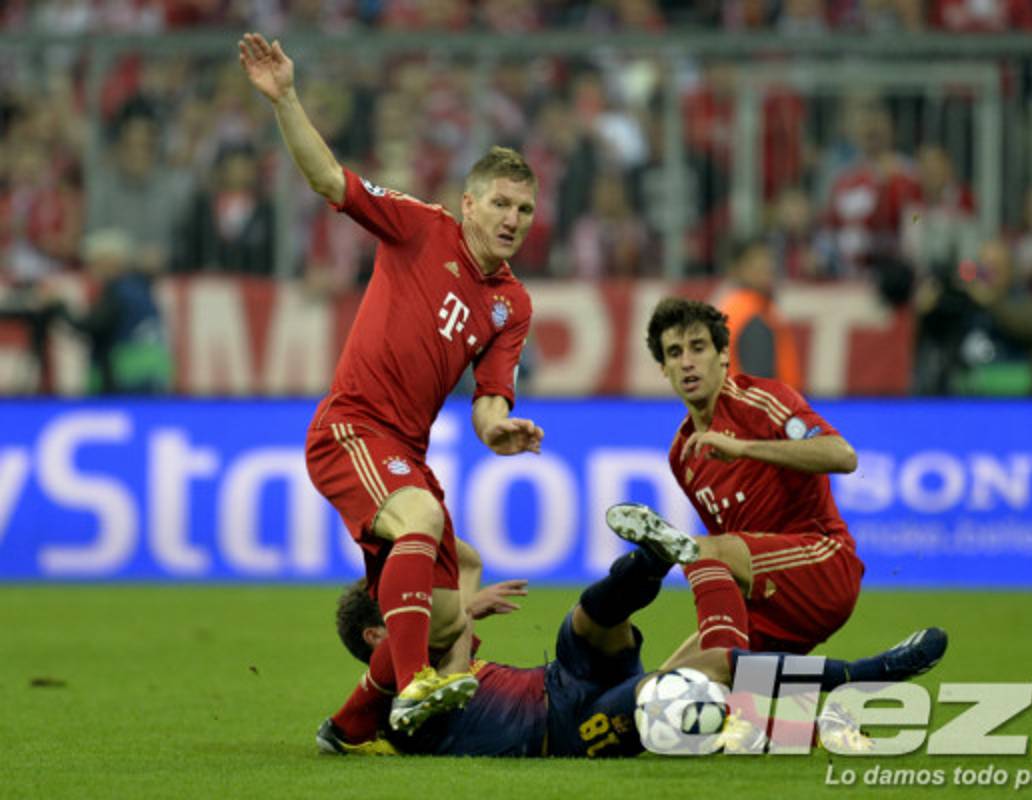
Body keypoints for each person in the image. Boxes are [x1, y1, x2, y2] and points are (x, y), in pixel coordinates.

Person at [238, 32, 545, 733]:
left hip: (405, 449)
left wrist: (496, 426)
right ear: (468, 204)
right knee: (423, 521)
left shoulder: (513, 304)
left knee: (446, 608)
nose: (511, 220)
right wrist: (286, 98)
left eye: (523, 211)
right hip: (350, 428)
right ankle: (414, 691)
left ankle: (347, 729)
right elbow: (329, 181)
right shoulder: (417, 229)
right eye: (499, 204)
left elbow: (489, 396)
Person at [318, 545, 948, 757]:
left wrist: (414, 549)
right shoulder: (395, 685)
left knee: (588, 620)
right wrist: (458, 617)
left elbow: (467, 559)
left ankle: (646, 564)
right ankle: (858, 677)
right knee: (700, 673)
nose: (417, 603)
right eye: (402, 603)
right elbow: (348, 725)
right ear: (379, 636)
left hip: (560, 681)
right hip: (566, 732)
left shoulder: (427, 644)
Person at [607, 297, 866, 665]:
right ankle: (825, 724)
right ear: (663, 368)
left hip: (823, 566)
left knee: (700, 551)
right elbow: (730, 550)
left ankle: (725, 660)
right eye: (675, 352)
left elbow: (843, 455)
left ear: (724, 355)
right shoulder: (683, 456)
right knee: (664, 691)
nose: (687, 362)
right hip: (769, 593)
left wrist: (744, 448)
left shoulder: (763, 400)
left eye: (698, 348)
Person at [56, 228, 172, 394]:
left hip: (125, 377)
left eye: (93, 263)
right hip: (154, 374)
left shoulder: (117, 291)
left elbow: (94, 325)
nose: (90, 270)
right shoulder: (141, 288)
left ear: (110, 262)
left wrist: (60, 309)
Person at [715, 237, 802, 387]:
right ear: (737, 269)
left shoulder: (730, 308)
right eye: (757, 265)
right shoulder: (752, 317)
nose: (767, 270)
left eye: (769, 263)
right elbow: (761, 389)